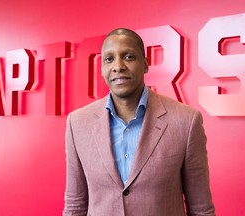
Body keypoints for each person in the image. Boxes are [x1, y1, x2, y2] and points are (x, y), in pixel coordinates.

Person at [63, 28, 215, 216]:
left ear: (145, 64)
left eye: (128, 57)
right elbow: (75, 204)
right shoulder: (77, 123)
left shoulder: (186, 121)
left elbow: (201, 208)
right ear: (102, 69)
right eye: (109, 59)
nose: (118, 66)